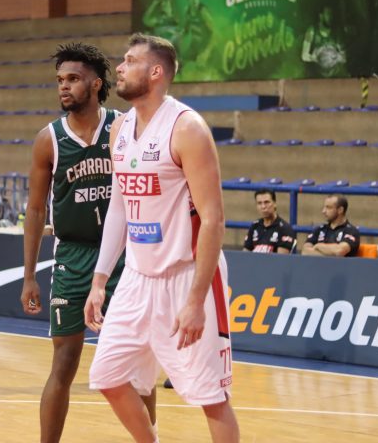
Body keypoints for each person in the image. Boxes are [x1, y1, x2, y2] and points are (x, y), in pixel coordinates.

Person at [84, 34, 239, 443]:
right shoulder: (119, 128)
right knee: (107, 375)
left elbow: (213, 219)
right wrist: (100, 280)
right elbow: (119, 207)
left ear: (155, 72)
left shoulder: (188, 128)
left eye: (129, 60)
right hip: (137, 278)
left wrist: (196, 300)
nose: (119, 67)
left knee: (211, 396)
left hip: (187, 275)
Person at [20, 42, 156, 443]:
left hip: (124, 256)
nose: (64, 86)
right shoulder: (48, 139)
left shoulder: (124, 126)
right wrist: (29, 276)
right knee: (63, 363)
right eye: (60, 80)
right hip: (72, 256)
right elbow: (35, 210)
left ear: (96, 84)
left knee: (137, 365)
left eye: (73, 79)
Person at [243, 189, 297, 254]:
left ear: (275, 204)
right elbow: (245, 254)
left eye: (267, 202)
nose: (263, 207)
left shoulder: (285, 229)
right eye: (259, 203)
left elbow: (281, 258)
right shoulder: (254, 226)